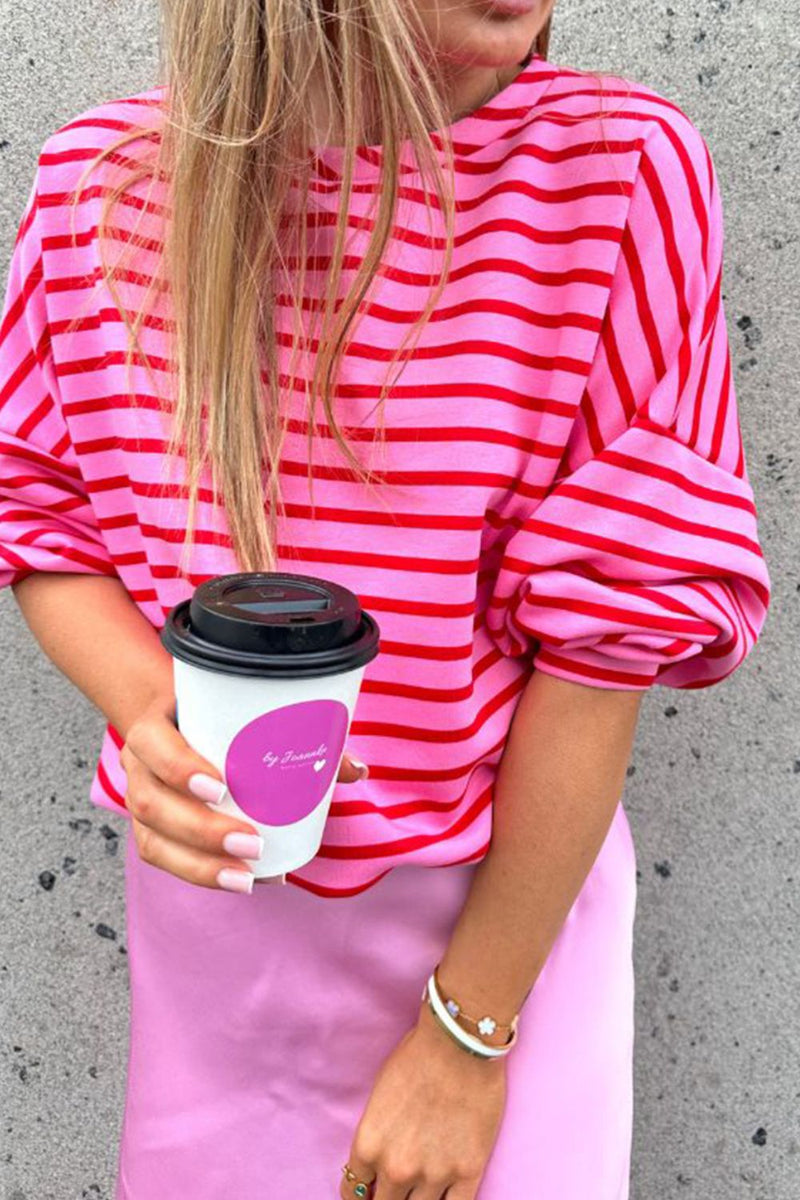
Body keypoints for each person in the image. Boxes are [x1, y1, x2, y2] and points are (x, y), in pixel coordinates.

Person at [0, 0, 772, 1196]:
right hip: (218, 917)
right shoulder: (97, 186)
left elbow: (606, 638)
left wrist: (468, 1038)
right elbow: (41, 511)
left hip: (504, 923)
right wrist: (162, 724)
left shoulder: (615, 169)